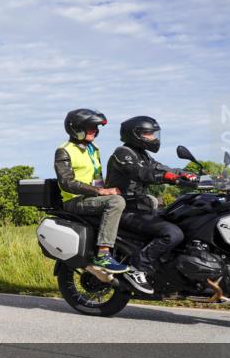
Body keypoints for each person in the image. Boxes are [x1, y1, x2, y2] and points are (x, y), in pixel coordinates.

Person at [106, 116, 196, 289]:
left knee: (184, 221)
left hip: (141, 209)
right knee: (172, 233)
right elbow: (141, 173)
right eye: (149, 134)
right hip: (125, 210)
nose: (153, 138)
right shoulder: (123, 153)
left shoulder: (143, 155)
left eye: (154, 134)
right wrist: (167, 177)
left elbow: (161, 168)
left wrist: (187, 174)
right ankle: (137, 268)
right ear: (135, 134)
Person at [54, 109, 130, 274]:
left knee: (138, 200)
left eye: (96, 127)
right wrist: (99, 191)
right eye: (90, 127)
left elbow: (97, 177)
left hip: (92, 198)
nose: (94, 130)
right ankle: (103, 254)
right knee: (116, 202)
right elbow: (67, 182)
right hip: (75, 200)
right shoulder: (64, 150)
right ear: (76, 128)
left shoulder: (93, 148)